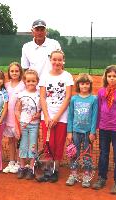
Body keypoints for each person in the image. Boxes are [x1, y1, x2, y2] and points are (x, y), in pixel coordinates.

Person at [92, 65, 116, 194]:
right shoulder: (101, 92)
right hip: (103, 128)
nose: (112, 78)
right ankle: (102, 178)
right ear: (106, 77)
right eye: (109, 76)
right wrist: (94, 129)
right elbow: (97, 111)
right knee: (103, 154)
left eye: (114, 76)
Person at [38, 50, 74, 182]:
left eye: (60, 60)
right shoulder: (44, 76)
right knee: (48, 144)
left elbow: (68, 97)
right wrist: (47, 117)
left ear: (63, 61)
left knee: (59, 143)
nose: (57, 62)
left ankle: (55, 170)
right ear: (50, 60)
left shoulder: (67, 76)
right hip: (46, 117)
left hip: (62, 117)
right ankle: (47, 169)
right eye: (54, 59)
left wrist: (57, 117)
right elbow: (42, 97)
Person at [65, 73, 98, 188]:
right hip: (75, 132)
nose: (84, 86)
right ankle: (73, 174)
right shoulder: (74, 99)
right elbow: (70, 116)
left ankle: (86, 175)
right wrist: (69, 132)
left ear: (90, 85)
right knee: (74, 154)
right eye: (82, 83)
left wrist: (93, 132)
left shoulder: (94, 99)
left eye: (87, 84)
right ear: (78, 85)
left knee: (87, 155)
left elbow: (94, 116)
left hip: (88, 132)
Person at [15, 69, 41, 180]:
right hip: (23, 125)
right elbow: (17, 110)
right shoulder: (21, 95)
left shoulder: (40, 94)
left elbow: (42, 110)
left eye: (33, 81)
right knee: (23, 145)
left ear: (37, 81)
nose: (31, 83)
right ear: (25, 81)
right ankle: (22, 167)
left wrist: (38, 115)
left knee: (33, 146)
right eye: (28, 81)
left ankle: (31, 168)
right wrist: (20, 121)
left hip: (34, 125)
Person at [3, 62, 25, 174]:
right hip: (8, 119)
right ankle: (11, 161)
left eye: (17, 71)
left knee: (19, 141)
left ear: (20, 72)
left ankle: (18, 162)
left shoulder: (23, 85)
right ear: (9, 73)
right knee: (11, 140)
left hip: (18, 120)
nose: (14, 73)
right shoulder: (6, 85)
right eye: (12, 71)